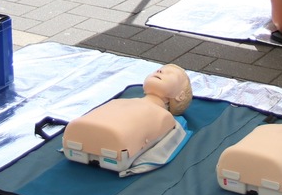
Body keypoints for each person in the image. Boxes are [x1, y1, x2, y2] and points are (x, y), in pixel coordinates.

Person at [62, 64, 192, 175]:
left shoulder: (164, 117)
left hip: (107, 145)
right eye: (159, 69)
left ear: (180, 96)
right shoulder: (118, 102)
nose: (160, 71)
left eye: (170, 74)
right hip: (96, 141)